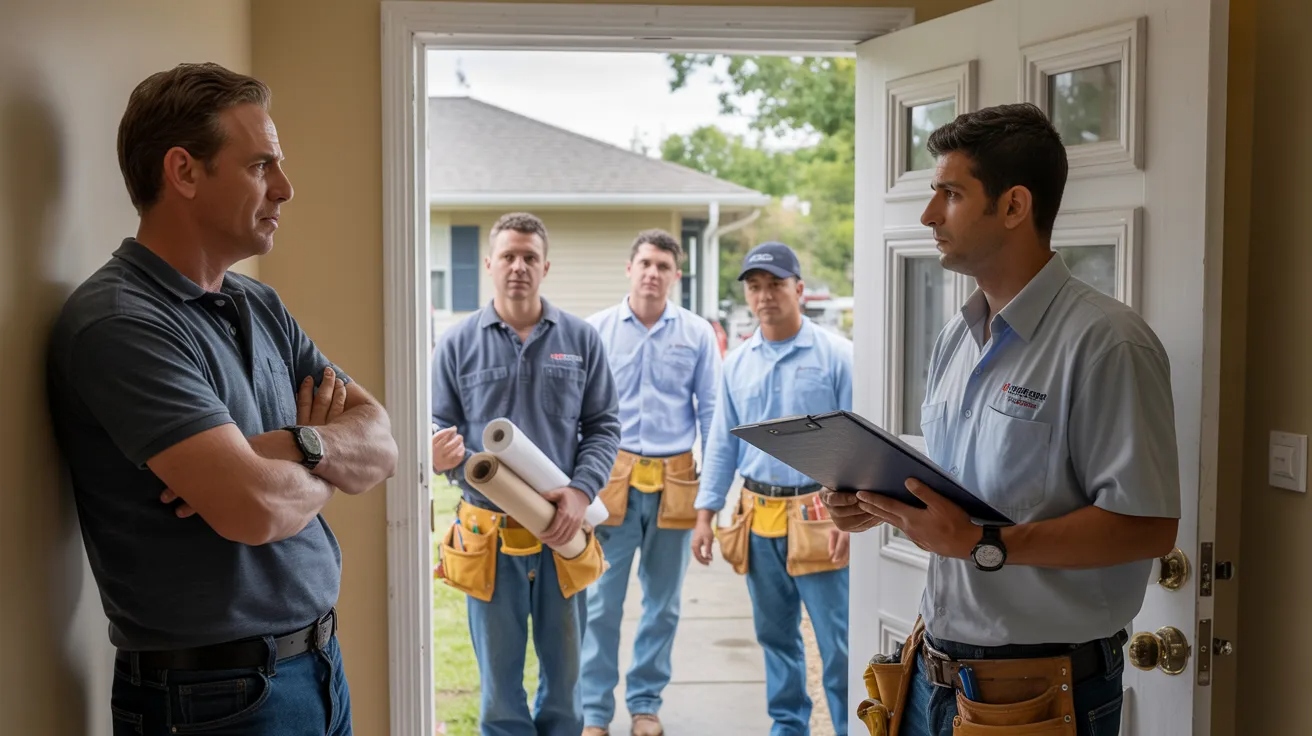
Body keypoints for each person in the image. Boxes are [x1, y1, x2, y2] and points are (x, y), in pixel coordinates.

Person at [45, 62, 398, 736]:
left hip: (319, 667)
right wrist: (301, 471)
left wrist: (294, 447)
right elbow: (254, 509)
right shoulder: (120, 323)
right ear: (183, 172)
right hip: (213, 698)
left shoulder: (257, 303)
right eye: (261, 165)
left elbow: (380, 441)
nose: (286, 189)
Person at [822, 103, 1180, 736]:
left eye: (951, 194)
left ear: (1014, 207)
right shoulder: (955, 339)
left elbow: (1145, 527)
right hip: (930, 670)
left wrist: (983, 546)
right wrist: (872, 500)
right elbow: (964, 497)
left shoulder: (1108, 342)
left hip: (1040, 694)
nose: (929, 215)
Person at [430, 211, 621, 736]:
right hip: (486, 535)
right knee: (498, 688)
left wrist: (582, 493)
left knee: (565, 686)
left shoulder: (580, 339)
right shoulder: (456, 342)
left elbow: (604, 426)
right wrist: (437, 451)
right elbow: (436, 422)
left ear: (546, 266)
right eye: (508, 256)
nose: (518, 266)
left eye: (529, 257)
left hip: (562, 531)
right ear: (490, 263)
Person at [691, 241, 853, 736]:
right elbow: (721, 443)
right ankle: (788, 727)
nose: (765, 296)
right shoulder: (736, 364)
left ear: (799, 289)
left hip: (821, 517)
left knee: (836, 642)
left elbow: (857, 443)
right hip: (758, 517)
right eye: (755, 287)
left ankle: (850, 725)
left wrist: (853, 518)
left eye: (776, 284)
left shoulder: (837, 357)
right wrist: (705, 513)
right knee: (775, 636)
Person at [579, 229, 722, 736]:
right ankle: (594, 711)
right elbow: (581, 414)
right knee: (601, 604)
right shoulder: (595, 331)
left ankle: (645, 704)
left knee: (663, 605)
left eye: (663, 266)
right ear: (629, 267)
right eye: (645, 263)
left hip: (676, 480)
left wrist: (711, 498)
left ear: (676, 276)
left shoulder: (697, 333)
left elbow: (711, 413)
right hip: (610, 479)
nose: (652, 273)